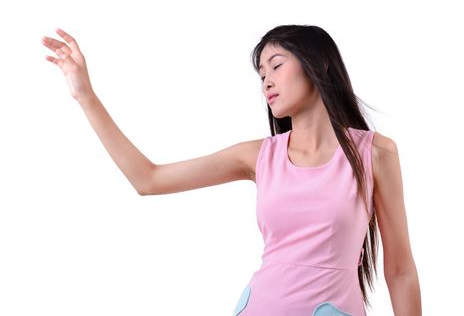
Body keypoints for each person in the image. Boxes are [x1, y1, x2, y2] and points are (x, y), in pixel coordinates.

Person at [41, 25, 421, 315]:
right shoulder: (257, 156)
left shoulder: (375, 153)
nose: (266, 81)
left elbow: (400, 269)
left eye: (276, 65)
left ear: (319, 64)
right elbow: (148, 179)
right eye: (261, 75)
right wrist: (84, 95)